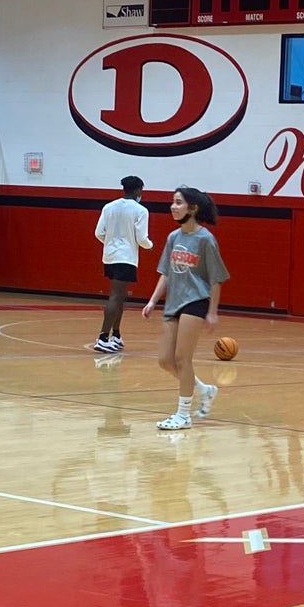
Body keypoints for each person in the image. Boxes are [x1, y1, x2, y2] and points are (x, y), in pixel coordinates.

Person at [142, 186, 229, 431]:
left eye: (178, 202)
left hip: (196, 301)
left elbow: (216, 278)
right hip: (173, 302)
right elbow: (166, 273)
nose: (173, 206)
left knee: (182, 358)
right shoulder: (173, 238)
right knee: (165, 360)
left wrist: (212, 312)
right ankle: (204, 389)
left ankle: (183, 415)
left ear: (193, 208)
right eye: (173, 202)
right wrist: (152, 301)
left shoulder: (205, 239)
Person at [92, 174, 151, 353]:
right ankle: (103, 337)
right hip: (126, 258)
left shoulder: (108, 207)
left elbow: (98, 232)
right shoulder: (140, 210)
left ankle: (116, 335)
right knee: (116, 296)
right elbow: (142, 239)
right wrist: (150, 245)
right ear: (139, 190)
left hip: (109, 256)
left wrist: (112, 243)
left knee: (120, 296)